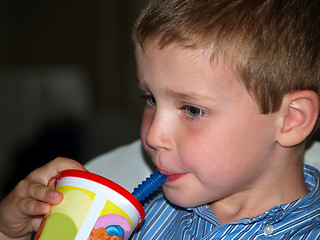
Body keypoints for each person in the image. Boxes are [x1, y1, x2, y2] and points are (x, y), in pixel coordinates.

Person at [0, 0, 319, 239]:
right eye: (151, 99)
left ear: (291, 119)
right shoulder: (129, 221)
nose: (153, 135)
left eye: (192, 109)